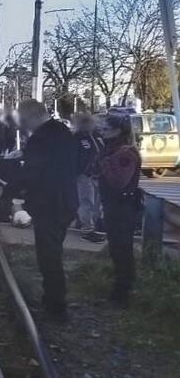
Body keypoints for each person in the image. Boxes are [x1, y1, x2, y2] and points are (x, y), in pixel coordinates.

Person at [15, 99, 79, 320]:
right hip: (66, 201)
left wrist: (13, 187)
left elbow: (33, 172)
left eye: (23, 120)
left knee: (49, 256)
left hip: (49, 204)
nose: (23, 125)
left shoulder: (41, 138)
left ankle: (55, 305)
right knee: (53, 253)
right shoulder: (63, 132)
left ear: (32, 116)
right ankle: (53, 301)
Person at [96, 114, 142, 307]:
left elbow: (119, 181)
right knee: (117, 250)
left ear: (118, 131)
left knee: (122, 251)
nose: (103, 132)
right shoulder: (112, 150)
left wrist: (104, 164)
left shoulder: (125, 153)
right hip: (114, 206)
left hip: (123, 208)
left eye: (106, 129)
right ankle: (120, 292)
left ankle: (122, 295)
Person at [73, 113, 105, 243]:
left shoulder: (97, 137)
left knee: (95, 203)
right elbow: (74, 157)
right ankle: (87, 229)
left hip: (97, 175)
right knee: (87, 202)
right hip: (84, 175)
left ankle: (88, 224)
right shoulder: (77, 138)